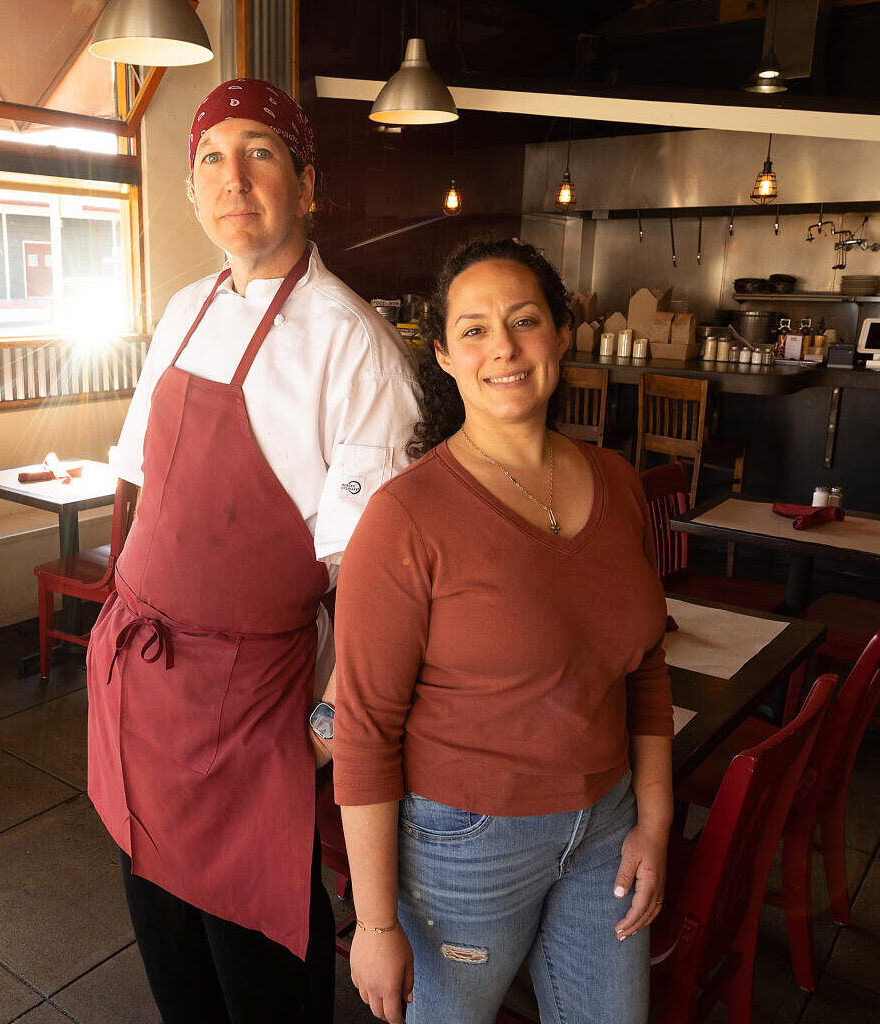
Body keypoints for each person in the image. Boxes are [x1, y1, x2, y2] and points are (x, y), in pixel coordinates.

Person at [86, 78, 421, 1024]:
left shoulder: (354, 348)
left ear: (307, 184)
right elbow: (146, 485)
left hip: (248, 707)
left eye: (260, 153)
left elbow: (375, 583)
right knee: (160, 925)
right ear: (192, 193)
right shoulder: (184, 308)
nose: (233, 179)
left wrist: (322, 727)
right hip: (143, 685)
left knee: (257, 950)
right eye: (210, 159)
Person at [332, 238, 673, 1024]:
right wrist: (377, 924)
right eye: (475, 329)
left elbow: (645, 669)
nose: (503, 348)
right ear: (445, 356)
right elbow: (365, 729)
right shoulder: (406, 515)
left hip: (606, 823)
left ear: (561, 336)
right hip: (466, 843)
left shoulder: (618, 483)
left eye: (524, 320)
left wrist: (652, 825)